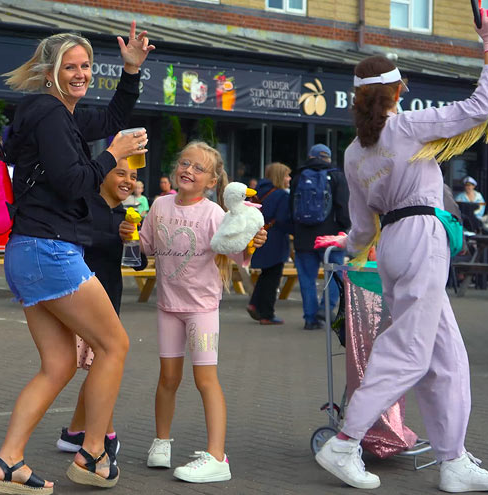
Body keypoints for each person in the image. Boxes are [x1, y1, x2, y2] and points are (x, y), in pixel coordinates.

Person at [313, 7, 488, 492]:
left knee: (447, 358)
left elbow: (361, 227)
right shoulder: (408, 128)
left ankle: (453, 460)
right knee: (410, 352)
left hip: (396, 245)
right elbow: (481, 106)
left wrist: (347, 245)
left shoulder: (354, 151)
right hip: (420, 237)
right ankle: (344, 442)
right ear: (397, 90)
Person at [0, 23, 154, 495]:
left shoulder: (59, 114)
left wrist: (132, 71)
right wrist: (113, 154)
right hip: (48, 248)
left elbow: (114, 115)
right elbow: (76, 182)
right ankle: (93, 452)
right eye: (70, 67)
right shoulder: (50, 114)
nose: (80, 75)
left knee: (58, 365)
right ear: (49, 71)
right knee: (114, 346)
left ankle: (8, 463)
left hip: (31, 249)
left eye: (85, 67)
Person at [141, 141, 265, 484]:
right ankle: (161, 442)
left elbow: (238, 251)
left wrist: (253, 242)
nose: (188, 171)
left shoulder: (214, 214)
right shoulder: (160, 204)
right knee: (168, 378)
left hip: (202, 311)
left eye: (198, 168)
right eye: (184, 163)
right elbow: (146, 245)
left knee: (205, 379)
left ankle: (216, 456)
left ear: (212, 181)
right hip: (168, 307)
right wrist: (128, 235)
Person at [57, 158, 147, 456]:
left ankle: (73, 433)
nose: (127, 180)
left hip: (111, 300)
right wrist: (115, 237)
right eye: (120, 173)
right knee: (99, 367)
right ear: (101, 175)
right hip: (80, 302)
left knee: (100, 367)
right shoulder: (84, 206)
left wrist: (132, 241)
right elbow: (82, 241)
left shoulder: (126, 215)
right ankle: (105, 432)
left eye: (133, 176)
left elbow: (139, 263)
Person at [289, 143, 351, 330]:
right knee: (335, 274)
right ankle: (326, 308)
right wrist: (344, 228)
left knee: (306, 278)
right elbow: (343, 208)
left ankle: (310, 319)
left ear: (310, 156)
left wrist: (295, 231)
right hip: (330, 237)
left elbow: (290, 207)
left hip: (304, 238)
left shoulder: (298, 177)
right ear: (328, 158)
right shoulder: (337, 177)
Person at [246, 162, 292, 325]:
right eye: (287, 175)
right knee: (273, 277)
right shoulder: (282, 195)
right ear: (280, 176)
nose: (289, 178)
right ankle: (267, 314)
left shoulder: (259, 192)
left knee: (265, 274)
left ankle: (254, 304)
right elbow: (282, 219)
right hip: (276, 238)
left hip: (260, 235)